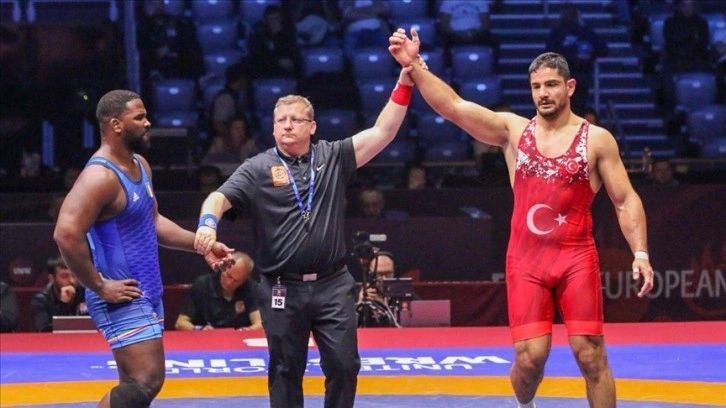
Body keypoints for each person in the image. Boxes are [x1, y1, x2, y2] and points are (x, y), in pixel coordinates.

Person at [389, 29, 654, 408]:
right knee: (530, 360)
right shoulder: (514, 131)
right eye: (536, 87)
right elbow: (454, 107)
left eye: (551, 85)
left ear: (570, 87)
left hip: (576, 257)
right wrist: (415, 66)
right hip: (527, 260)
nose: (543, 93)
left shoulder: (597, 139)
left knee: (591, 354)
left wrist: (640, 253)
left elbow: (625, 199)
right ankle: (524, 404)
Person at [194, 66, 415, 407]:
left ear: (312, 127)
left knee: (344, 365)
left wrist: (403, 82)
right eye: (280, 120)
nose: (287, 125)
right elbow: (218, 198)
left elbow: (383, 131)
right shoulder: (257, 168)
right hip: (282, 287)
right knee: (285, 370)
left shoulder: (333, 156)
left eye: (295, 119)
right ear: (272, 127)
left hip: (332, 285)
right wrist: (208, 225)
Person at [53, 89, 234, 408]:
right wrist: (98, 285)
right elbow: (66, 233)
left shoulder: (140, 165)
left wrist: (200, 244)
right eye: (139, 117)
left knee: (135, 386)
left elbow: (153, 221)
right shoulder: (100, 176)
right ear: (115, 124)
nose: (148, 123)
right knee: (146, 379)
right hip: (120, 293)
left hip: (145, 290)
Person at [545, 2, 609, 115]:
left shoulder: (562, 33)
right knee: (573, 110)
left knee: (567, 110)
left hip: (572, 78)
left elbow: (603, 50)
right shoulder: (583, 32)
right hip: (574, 78)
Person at [175, 251, 262, 331]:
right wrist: (200, 329)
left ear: (245, 279)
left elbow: (260, 324)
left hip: (238, 339)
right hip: (206, 339)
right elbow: (180, 323)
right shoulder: (203, 284)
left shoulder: (251, 288)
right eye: (228, 276)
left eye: (236, 281)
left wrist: (246, 331)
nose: (229, 283)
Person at [31, 254, 88, 332]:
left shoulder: (86, 294)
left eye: (74, 275)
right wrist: (63, 304)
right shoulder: (41, 300)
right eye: (64, 276)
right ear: (52, 278)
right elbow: (45, 330)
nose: (71, 281)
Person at [247, 5, 300, 79]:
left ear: (281, 18)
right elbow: (256, 53)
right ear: (266, 21)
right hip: (265, 65)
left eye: (276, 18)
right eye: (271, 19)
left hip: (284, 66)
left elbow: (291, 50)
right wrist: (277, 61)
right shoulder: (258, 32)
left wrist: (279, 35)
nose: (274, 22)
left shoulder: (288, 31)